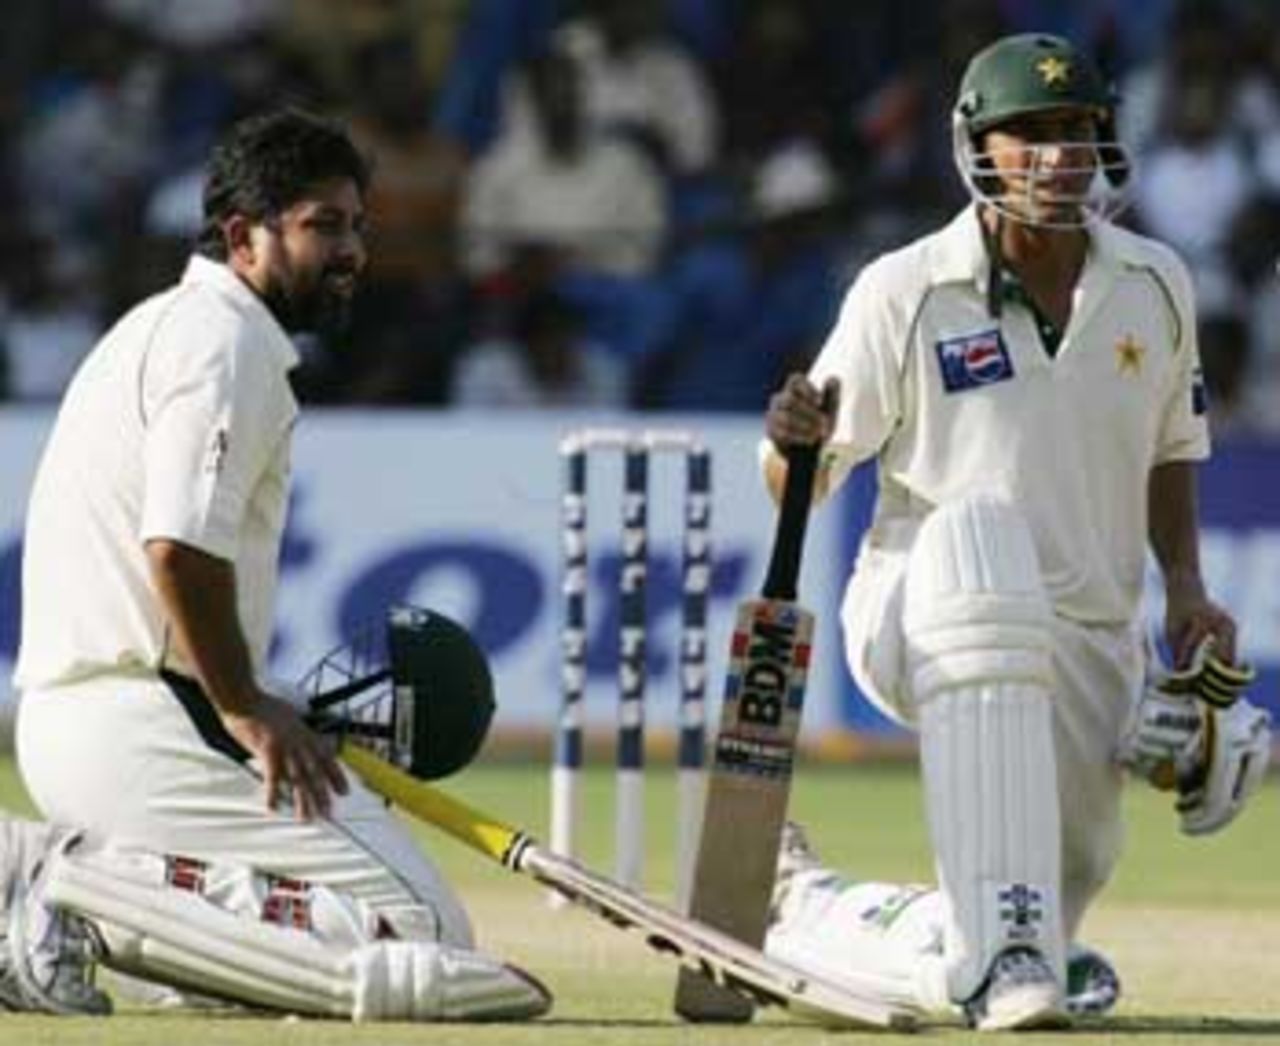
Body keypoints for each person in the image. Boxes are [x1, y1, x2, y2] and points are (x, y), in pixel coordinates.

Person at [758, 33, 1269, 1031]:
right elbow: (805, 477)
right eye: (1023, 134)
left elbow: (1173, 441)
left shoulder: (1155, 280)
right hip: (919, 598)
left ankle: (812, 909)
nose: (1052, 155)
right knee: (980, 540)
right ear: (975, 148)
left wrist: (1185, 585)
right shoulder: (902, 289)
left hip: (1086, 629)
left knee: (1029, 910)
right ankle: (1001, 948)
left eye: (1072, 130)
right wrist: (790, 444)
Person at [10, 107, 549, 1021]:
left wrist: (259, 698)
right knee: (416, 928)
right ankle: (62, 889)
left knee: (317, 947)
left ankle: (115, 926)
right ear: (241, 236)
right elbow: (177, 547)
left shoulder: (169, 326)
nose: (352, 251)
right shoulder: (222, 345)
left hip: (106, 720)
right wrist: (243, 705)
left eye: (357, 226)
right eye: (322, 225)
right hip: (140, 723)